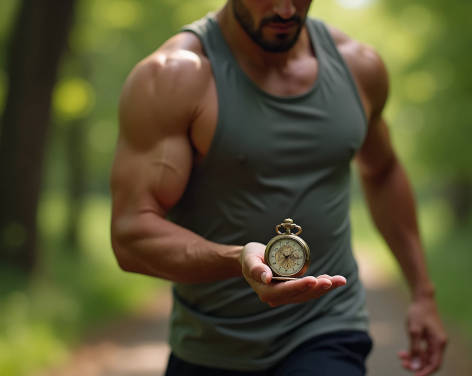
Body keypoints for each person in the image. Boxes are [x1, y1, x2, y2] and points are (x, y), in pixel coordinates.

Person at [110, 1, 448, 375]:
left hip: (328, 327)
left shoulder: (358, 67)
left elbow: (382, 172)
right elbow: (131, 235)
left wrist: (422, 293)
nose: (287, 10)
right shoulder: (173, 77)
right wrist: (238, 260)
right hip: (212, 345)